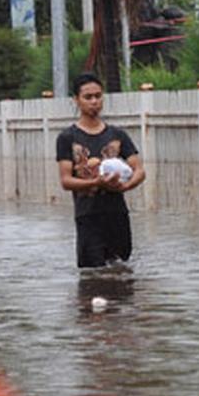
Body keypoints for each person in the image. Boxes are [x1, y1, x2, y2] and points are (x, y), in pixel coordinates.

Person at [56, 73, 146, 268]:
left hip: (117, 214)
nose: (94, 101)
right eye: (88, 97)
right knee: (92, 276)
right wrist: (96, 183)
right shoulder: (67, 137)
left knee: (121, 271)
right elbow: (66, 180)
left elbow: (139, 169)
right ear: (76, 101)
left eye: (98, 96)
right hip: (88, 216)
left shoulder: (117, 135)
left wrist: (125, 186)